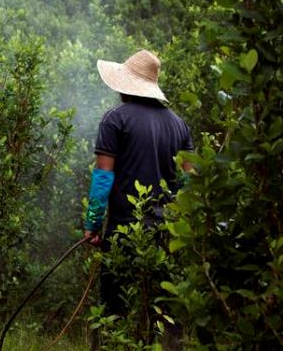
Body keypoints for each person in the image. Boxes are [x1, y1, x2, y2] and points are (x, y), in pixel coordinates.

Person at [82, 50, 193, 346]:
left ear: (125, 85)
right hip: (167, 233)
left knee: (112, 308)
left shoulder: (115, 119)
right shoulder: (179, 125)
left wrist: (92, 224)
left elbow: (103, 177)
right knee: (167, 310)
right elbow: (189, 182)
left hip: (124, 230)